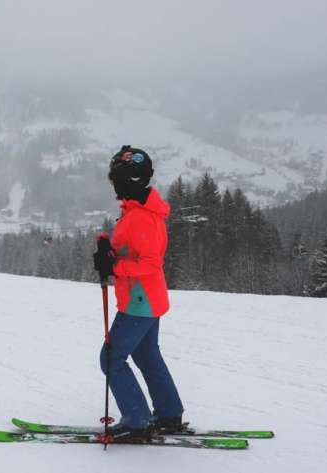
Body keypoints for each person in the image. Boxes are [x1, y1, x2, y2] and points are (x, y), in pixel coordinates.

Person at [92, 145, 183, 441]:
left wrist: (114, 265)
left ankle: (137, 419)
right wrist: (110, 250)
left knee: (111, 358)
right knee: (147, 355)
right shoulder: (138, 209)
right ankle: (169, 413)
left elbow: (150, 263)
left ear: (127, 179)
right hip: (147, 299)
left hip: (139, 301)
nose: (113, 184)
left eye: (115, 178)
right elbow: (136, 251)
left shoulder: (142, 215)